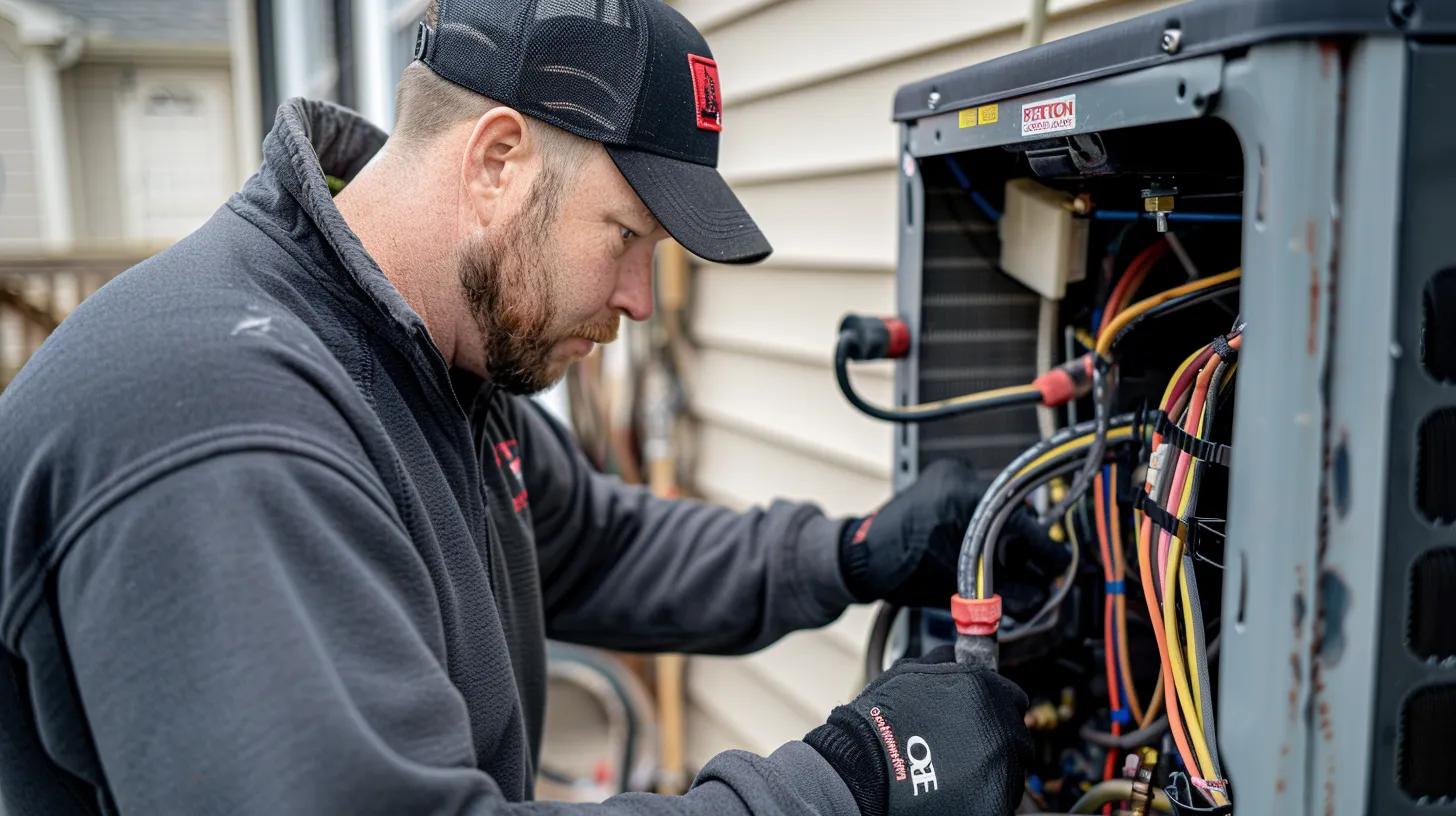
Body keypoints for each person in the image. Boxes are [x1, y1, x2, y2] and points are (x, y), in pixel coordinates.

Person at [0, 1, 1041, 813]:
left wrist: (852, 551)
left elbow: (593, 544)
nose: (637, 298)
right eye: (625, 236)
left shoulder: (426, 351)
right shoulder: (227, 427)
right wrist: (849, 779)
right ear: (497, 162)